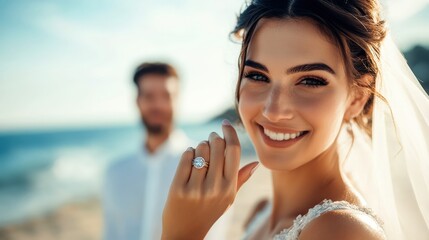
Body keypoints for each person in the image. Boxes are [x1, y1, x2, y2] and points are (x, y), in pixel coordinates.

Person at [161, 1, 429, 240]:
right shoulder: (260, 213)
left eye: (310, 81)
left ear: (357, 98)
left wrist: (181, 234)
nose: (273, 110)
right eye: (257, 76)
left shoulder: (342, 232)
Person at [102, 62, 231, 240]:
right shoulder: (115, 173)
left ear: (177, 100)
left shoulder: (204, 165)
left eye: (166, 96)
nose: (158, 105)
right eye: (149, 96)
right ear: (137, 101)